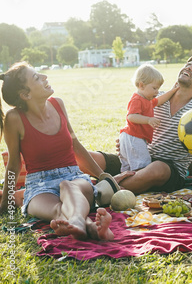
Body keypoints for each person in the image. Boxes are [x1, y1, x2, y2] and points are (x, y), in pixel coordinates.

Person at [0, 62, 114, 241]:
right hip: (38, 186)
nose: (45, 77)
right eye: (37, 78)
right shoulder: (14, 119)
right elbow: (13, 163)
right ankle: (91, 227)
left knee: (67, 187)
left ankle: (77, 222)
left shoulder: (58, 104)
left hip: (74, 178)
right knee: (57, 210)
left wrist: (103, 176)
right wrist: (5, 202)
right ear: (25, 94)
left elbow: (76, 147)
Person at [88, 55, 192, 194]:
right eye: (188, 64)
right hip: (140, 157)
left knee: (158, 168)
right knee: (87, 156)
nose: (189, 68)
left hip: (169, 169)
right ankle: (106, 184)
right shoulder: (154, 97)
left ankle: (102, 192)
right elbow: (135, 123)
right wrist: (127, 142)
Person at [119, 64, 178, 172]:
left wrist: (173, 91)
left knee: (127, 167)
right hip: (134, 137)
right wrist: (148, 120)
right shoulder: (137, 99)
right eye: (154, 88)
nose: (157, 92)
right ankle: (139, 185)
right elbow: (131, 116)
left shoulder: (147, 100)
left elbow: (160, 100)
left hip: (131, 137)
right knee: (143, 165)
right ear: (141, 85)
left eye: (158, 89)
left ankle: (123, 183)